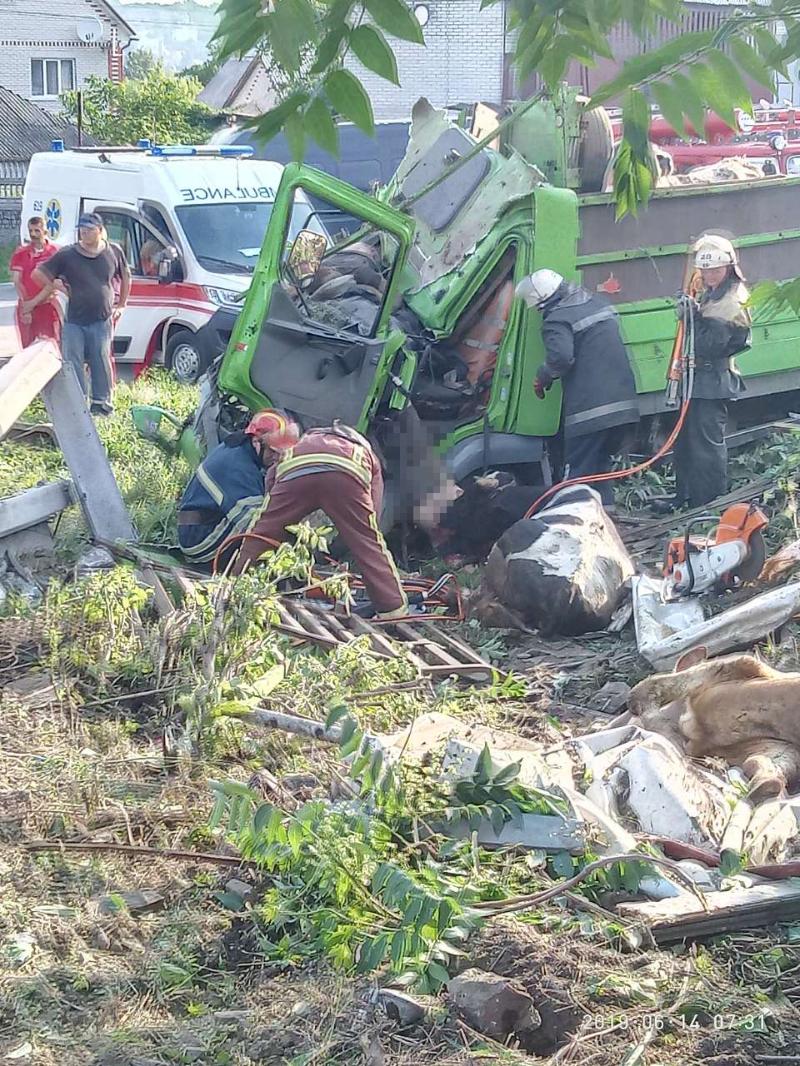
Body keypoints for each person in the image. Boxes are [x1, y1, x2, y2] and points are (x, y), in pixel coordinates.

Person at [232, 416, 408, 620]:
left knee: (260, 535)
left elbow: (272, 480)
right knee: (368, 544)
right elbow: (372, 516)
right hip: (346, 474)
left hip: (295, 474)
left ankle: (235, 587)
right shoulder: (368, 455)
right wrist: (353, 531)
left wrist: (281, 521)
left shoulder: (302, 443)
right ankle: (393, 611)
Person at [515, 270, 639, 506]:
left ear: (543, 301)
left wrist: (543, 376)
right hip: (624, 402)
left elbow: (561, 358)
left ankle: (571, 522)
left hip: (590, 411)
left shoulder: (557, 319)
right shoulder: (597, 303)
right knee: (599, 467)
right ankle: (607, 515)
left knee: (577, 475)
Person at [671, 235, 751, 509]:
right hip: (698, 379)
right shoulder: (713, 292)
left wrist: (691, 316)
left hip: (712, 380)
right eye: (704, 270)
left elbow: (711, 345)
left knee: (706, 446)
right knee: (685, 443)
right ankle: (685, 497)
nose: (708, 276)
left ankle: (709, 504)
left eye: (714, 270)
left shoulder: (730, 301)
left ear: (728, 268)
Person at [33, 212, 130, 416]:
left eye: (89, 229)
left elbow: (126, 276)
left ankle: (101, 404)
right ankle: (77, 404)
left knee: (100, 359)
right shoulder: (68, 254)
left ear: (100, 230)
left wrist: (122, 304)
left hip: (101, 319)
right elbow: (38, 274)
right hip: (74, 320)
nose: (84, 233)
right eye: (82, 229)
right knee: (73, 361)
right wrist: (56, 286)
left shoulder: (113, 251)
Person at [177, 409, 300, 565]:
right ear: (256, 441)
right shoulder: (238, 466)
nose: (277, 458)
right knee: (258, 526)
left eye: (282, 454)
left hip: (199, 526)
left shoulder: (239, 448)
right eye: (273, 451)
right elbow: (256, 523)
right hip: (200, 541)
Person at [9, 216, 61, 348]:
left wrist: (33, 303)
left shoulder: (55, 252)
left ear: (45, 232)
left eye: (37, 231)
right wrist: (27, 307)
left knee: (50, 347)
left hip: (47, 306)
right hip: (26, 307)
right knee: (28, 349)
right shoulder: (21, 252)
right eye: (30, 231)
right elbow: (17, 280)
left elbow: (53, 283)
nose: (33, 234)